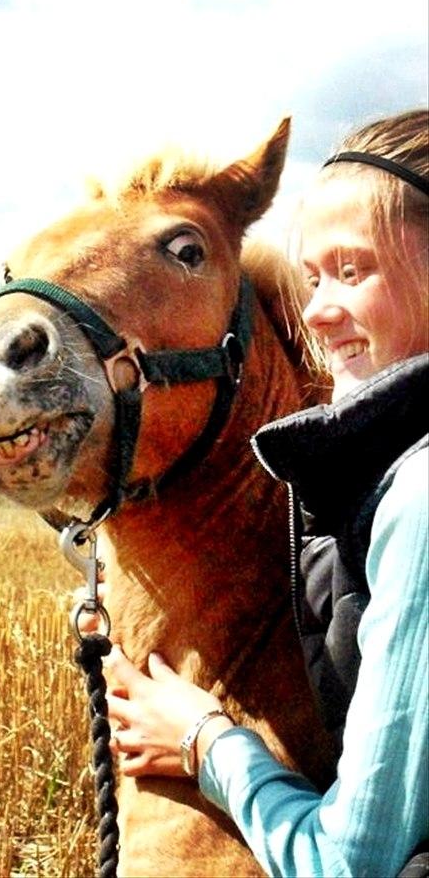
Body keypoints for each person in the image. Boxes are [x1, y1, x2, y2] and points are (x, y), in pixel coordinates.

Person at [102, 109, 429, 877]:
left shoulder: (420, 494)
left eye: (353, 271)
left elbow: (354, 864)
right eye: (313, 277)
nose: (315, 309)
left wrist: (207, 740)